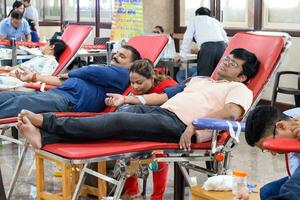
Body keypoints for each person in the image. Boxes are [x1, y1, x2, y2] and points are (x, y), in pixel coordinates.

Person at [17, 48, 259, 153]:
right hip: (161, 113)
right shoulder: (200, 80)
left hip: (180, 126)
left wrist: (196, 124)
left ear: (243, 75)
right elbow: (163, 96)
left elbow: (230, 114)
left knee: (118, 122)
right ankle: (46, 137)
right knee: (109, 119)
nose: (226, 62)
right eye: (227, 58)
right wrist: (130, 100)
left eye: (232, 63)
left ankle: (45, 123)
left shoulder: (240, 89)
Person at [0, 45, 141, 119]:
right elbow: (62, 81)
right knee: (11, 96)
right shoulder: (108, 73)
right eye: (116, 53)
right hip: (60, 93)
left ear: (132, 64)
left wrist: (71, 73)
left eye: (122, 56)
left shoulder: (123, 74)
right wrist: (34, 77)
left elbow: (90, 71)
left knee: (20, 104)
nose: (115, 57)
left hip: (71, 101)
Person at [110, 59, 177, 200]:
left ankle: (157, 196)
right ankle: (132, 190)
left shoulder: (168, 87)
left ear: (152, 77)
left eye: (139, 82)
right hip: (142, 129)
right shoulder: (134, 93)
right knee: (124, 150)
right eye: (132, 82)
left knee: (158, 155)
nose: (135, 86)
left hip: (165, 129)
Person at [241, 106, 300, 200]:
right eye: (267, 149)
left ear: (281, 126)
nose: (273, 153)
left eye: (272, 144)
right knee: (267, 192)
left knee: (291, 189)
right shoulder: (288, 118)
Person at [175, 7, 228, 78]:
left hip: (207, 49)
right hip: (222, 48)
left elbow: (188, 36)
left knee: (203, 77)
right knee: (219, 77)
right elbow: (225, 39)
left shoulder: (194, 19)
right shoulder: (216, 21)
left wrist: (182, 55)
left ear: (197, 14)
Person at [0, 38, 65, 75]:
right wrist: (8, 69)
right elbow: (19, 67)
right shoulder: (41, 57)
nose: (43, 46)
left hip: (20, 80)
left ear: (51, 47)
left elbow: (43, 78)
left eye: (46, 44)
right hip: (13, 73)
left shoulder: (51, 61)